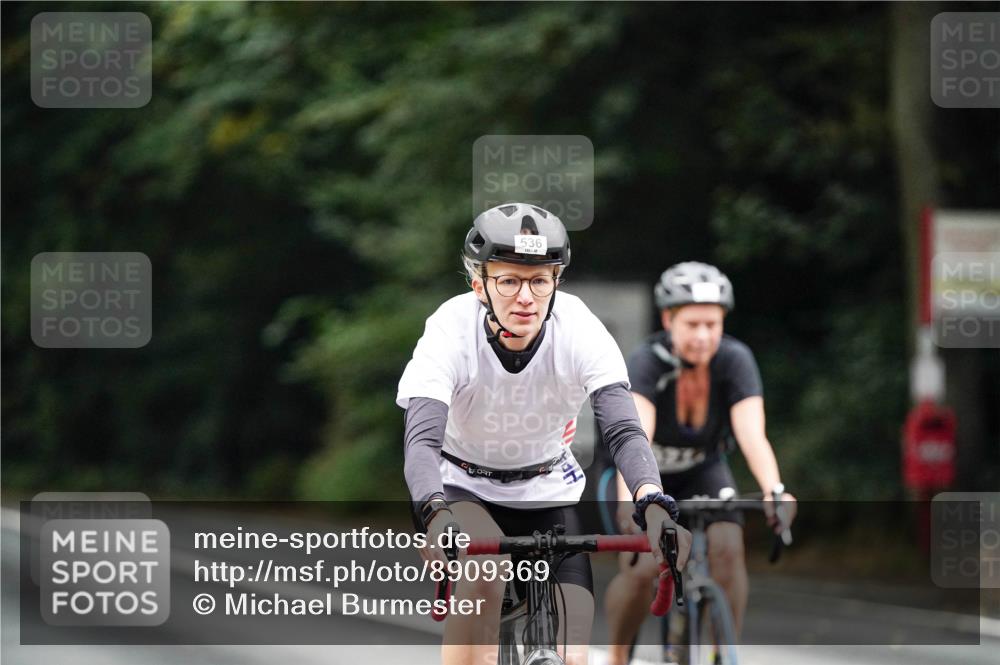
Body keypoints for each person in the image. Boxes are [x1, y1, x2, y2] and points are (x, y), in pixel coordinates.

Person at [398, 203, 692, 665]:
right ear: (480, 284)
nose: (526, 297)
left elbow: (623, 427)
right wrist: (433, 515)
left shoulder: (578, 327)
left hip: (546, 488)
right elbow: (422, 440)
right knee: (485, 574)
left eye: (539, 280)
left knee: (573, 654)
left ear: (556, 282)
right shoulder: (449, 330)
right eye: (509, 280)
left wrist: (652, 502)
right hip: (463, 485)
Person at [603, 261, 798, 665]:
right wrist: (631, 506)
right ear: (668, 319)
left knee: (728, 548)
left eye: (713, 324)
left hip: (703, 470)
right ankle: (618, 656)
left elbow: (751, 434)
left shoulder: (735, 360)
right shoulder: (646, 362)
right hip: (644, 472)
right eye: (692, 324)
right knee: (641, 573)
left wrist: (774, 490)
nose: (704, 336)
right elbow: (635, 437)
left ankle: (722, 652)